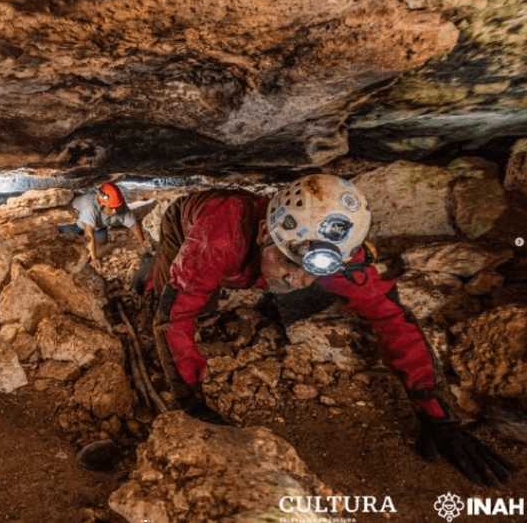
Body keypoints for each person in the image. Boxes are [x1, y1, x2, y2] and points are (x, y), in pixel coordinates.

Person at [139, 174, 515, 486]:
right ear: (265, 235)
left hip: (248, 259)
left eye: (311, 270)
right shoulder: (219, 234)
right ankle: (147, 276)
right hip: (187, 220)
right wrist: (190, 401)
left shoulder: (336, 260)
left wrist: (438, 414)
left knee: (297, 293)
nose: (297, 278)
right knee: (188, 301)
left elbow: (392, 320)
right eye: (288, 260)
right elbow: (175, 317)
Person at [60, 182, 148, 271]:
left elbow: (133, 224)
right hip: (74, 223)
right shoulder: (89, 206)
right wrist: (94, 259)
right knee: (67, 242)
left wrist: (142, 243)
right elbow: (89, 234)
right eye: (111, 208)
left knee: (101, 242)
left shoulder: (117, 203)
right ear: (102, 203)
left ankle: (85, 245)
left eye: (116, 208)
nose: (114, 211)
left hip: (98, 226)